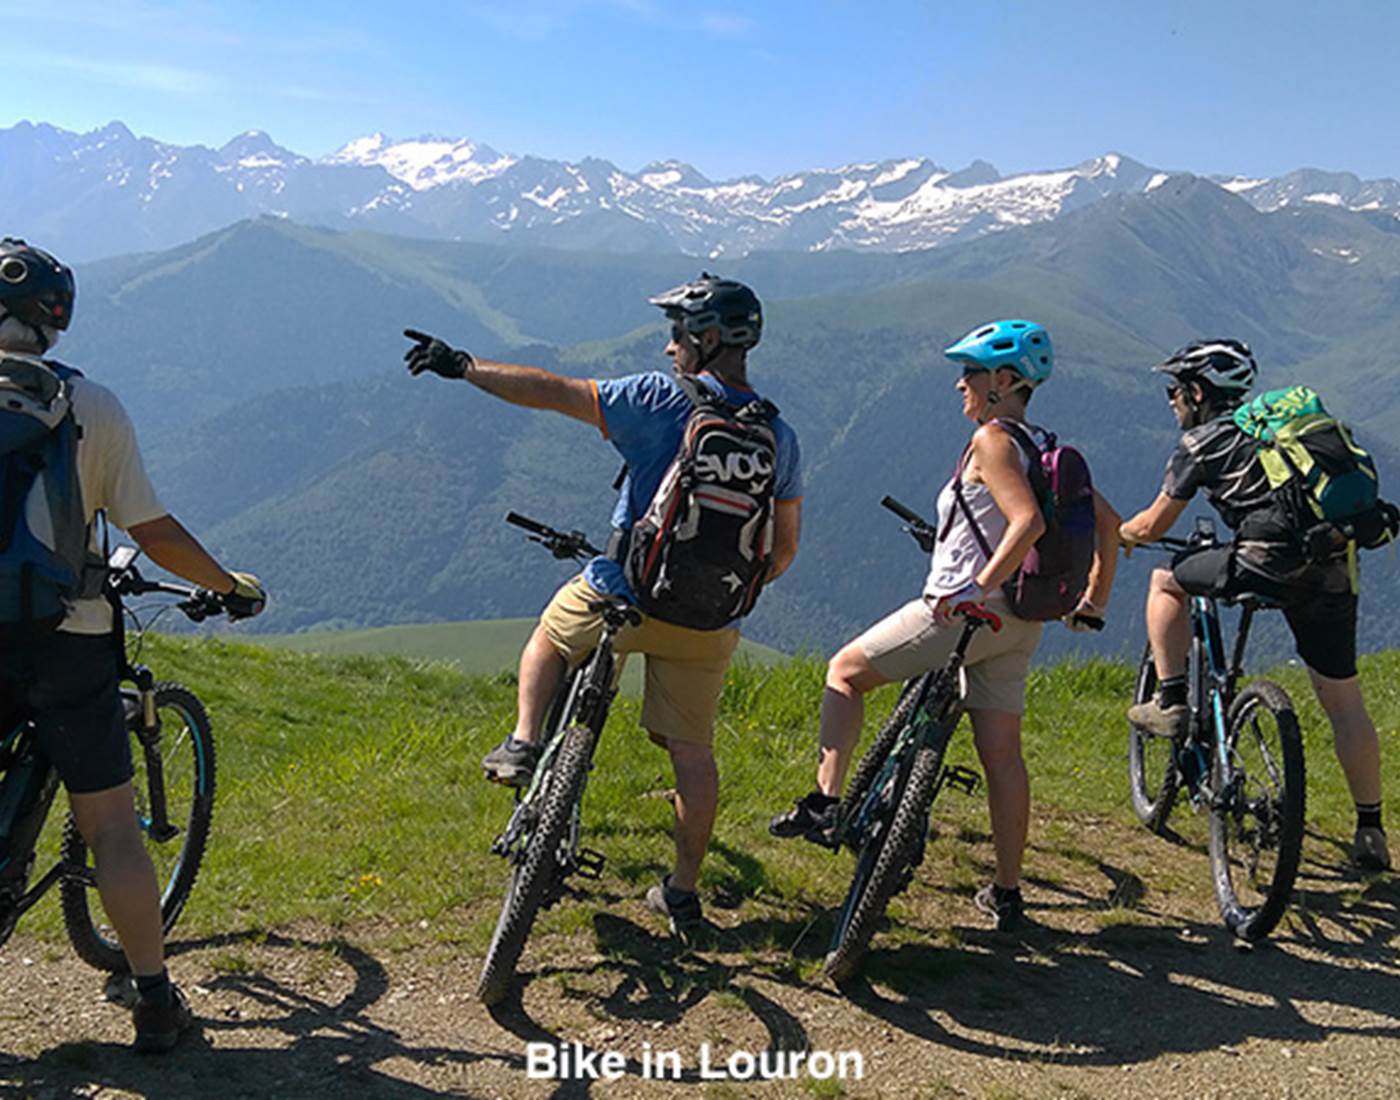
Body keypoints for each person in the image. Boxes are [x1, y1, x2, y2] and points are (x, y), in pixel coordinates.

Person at [404, 273, 802, 933]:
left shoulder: (657, 397)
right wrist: (720, 595)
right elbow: (782, 550)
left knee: (548, 639)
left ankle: (524, 741)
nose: (670, 345)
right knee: (693, 754)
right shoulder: (778, 436)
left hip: (622, 594)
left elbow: (553, 391)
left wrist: (466, 366)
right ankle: (682, 892)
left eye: (678, 333)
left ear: (705, 340)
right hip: (708, 621)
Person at [0, 238, 267, 1052]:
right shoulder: (91, 407)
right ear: (55, 319)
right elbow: (151, 533)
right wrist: (226, 584)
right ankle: (154, 1002)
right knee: (113, 825)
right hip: (65, 639)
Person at [769, 320, 1120, 931]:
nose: (960, 383)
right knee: (1002, 759)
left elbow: (1028, 524)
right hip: (1022, 623)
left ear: (1003, 382)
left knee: (845, 674)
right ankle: (1007, 893)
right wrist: (1093, 598)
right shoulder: (1043, 447)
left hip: (964, 615)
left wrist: (973, 587)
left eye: (971, 373)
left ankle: (826, 803)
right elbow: (1108, 525)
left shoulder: (991, 441)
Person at [1119, 339, 1390, 872]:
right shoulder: (1278, 432)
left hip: (1263, 563)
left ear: (1198, 392)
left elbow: (1154, 524)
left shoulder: (1204, 440)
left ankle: (1170, 699)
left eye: (1176, 390)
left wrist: (1123, 535)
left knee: (1164, 582)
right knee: (1343, 702)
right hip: (1333, 564)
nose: (1172, 399)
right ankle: (1371, 830)